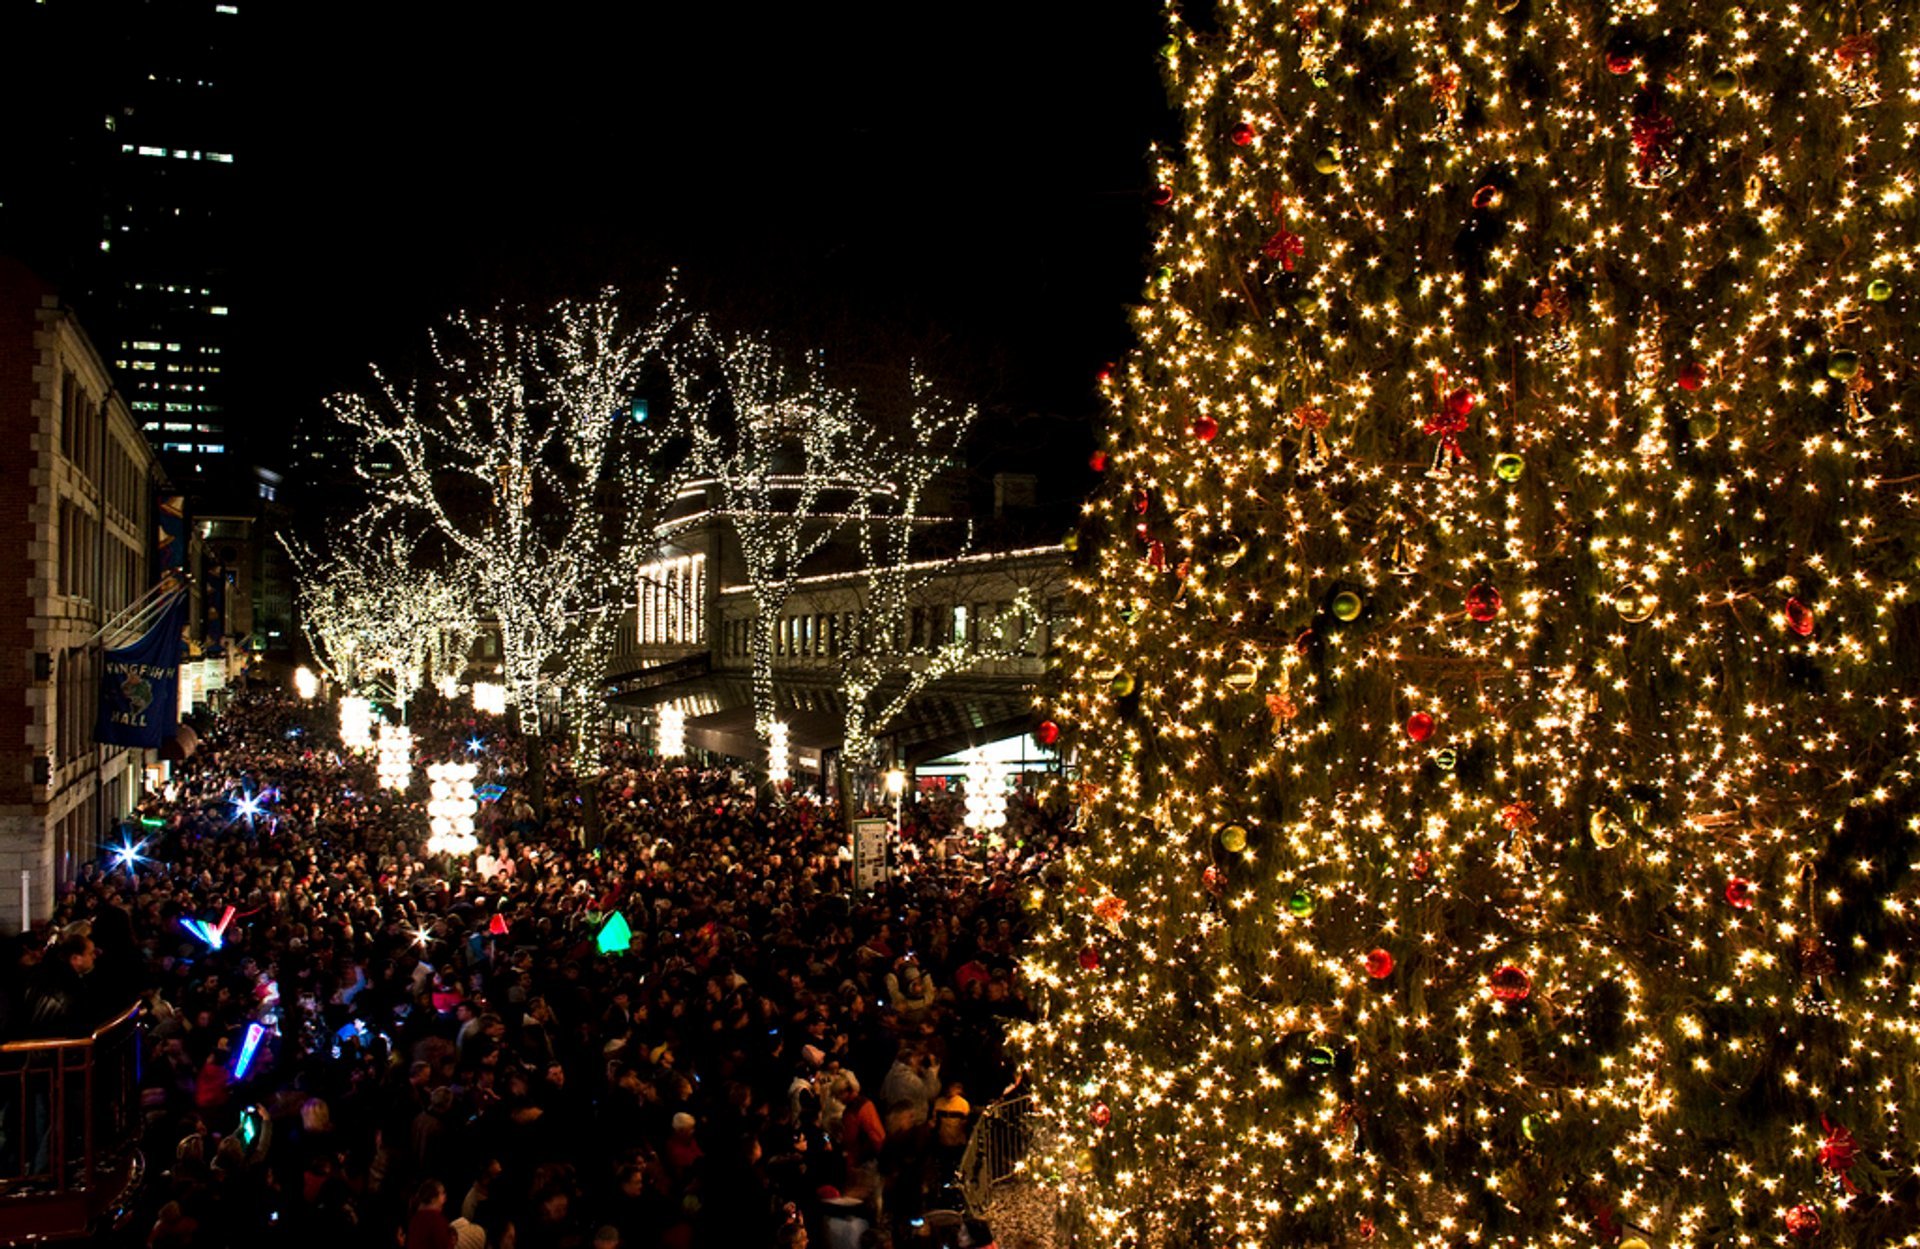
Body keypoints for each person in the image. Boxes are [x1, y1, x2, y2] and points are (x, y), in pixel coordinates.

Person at [407, 1178, 457, 1249]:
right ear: (432, 1199)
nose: (445, 1198)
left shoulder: (414, 1219)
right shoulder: (435, 1219)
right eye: (442, 1193)